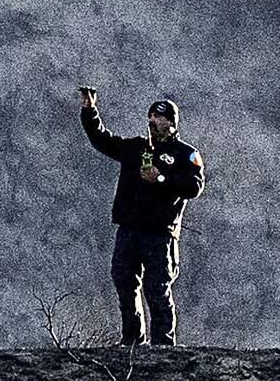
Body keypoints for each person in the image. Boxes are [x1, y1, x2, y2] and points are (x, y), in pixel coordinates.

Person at [76, 83, 205, 345]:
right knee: (124, 281)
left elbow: (194, 187)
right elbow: (102, 140)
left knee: (157, 289)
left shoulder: (186, 154)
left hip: (160, 235)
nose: (152, 121)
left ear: (171, 122)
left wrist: (161, 178)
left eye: (159, 117)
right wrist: (90, 111)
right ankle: (133, 340)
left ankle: (163, 346)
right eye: (151, 117)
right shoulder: (136, 148)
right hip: (129, 229)